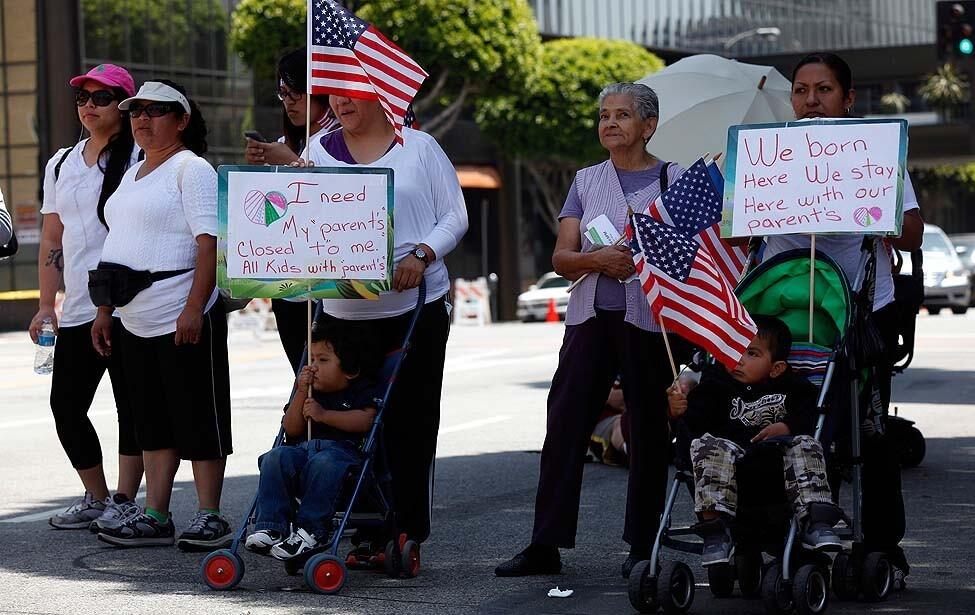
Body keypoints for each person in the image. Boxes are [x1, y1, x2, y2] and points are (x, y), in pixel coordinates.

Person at [495, 83, 694, 579]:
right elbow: (562, 258)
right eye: (604, 115)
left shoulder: (674, 179)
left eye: (622, 115)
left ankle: (641, 545)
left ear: (648, 126)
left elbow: (694, 257)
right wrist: (598, 260)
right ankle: (545, 544)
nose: (609, 123)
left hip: (649, 324)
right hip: (588, 321)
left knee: (648, 430)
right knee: (563, 425)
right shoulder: (585, 180)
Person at [762, 51, 923, 577]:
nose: (811, 101)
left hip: (859, 318)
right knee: (782, 427)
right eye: (802, 91)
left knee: (868, 438)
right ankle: (780, 539)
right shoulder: (770, 153)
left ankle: (881, 545)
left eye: (823, 90)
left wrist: (869, 206)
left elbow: (912, 233)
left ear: (847, 99)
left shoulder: (876, 153)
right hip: (786, 319)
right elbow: (736, 230)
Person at [294, 94, 467, 549]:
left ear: (379, 93)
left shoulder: (420, 147)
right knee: (333, 421)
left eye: (354, 91)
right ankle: (335, 522)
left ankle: (405, 527)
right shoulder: (314, 149)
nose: (343, 101)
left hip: (412, 307)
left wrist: (421, 253)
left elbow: (455, 215)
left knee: (411, 422)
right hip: (341, 314)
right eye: (334, 92)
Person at [91, 80, 232, 550]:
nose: (142, 121)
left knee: (198, 415)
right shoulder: (132, 173)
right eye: (136, 112)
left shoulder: (191, 170)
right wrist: (105, 311)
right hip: (133, 317)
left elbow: (207, 242)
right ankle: (157, 513)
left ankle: (210, 515)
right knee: (150, 418)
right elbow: (118, 243)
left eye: (155, 111)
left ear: (182, 119)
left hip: (180, 313)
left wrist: (195, 307)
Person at [29, 64, 145, 531]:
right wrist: (44, 305)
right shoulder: (61, 162)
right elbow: (53, 237)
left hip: (132, 303)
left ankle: (126, 500)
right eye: (83, 98)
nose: (89, 106)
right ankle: (96, 496)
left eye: (101, 98)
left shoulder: (142, 155)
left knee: (132, 407)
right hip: (78, 305)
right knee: (66, 404)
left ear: (124, 105)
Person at [668, 316, 844, 566]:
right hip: (732, 464)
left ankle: (815, 519)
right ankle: (715, 528)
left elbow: (813, 415)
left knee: (806, 443)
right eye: (734, 348)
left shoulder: (793, 387)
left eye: (751, 353)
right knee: (706, 445)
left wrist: (787, 426)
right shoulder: (717, 385)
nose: (739, 359)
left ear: (776, 368)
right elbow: (695, 423)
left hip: (779, 463)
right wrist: (678, 412)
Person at [245, 320, 381, 560]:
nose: (313, 366)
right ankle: (271, 526)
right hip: (303, 453)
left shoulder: (360, 390)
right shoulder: (308, 392)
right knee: (276, 456)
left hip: (341, 457)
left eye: (323, 360)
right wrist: (300, 391)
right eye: (312, 359)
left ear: (349, 368)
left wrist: (324, 415)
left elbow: (365, 421)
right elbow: (291, 427)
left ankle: (311, 530)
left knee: (325, 461)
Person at [244, 47, 339, 372]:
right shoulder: (286, 141)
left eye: (298, 92)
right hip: (288, 287)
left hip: (334, 285)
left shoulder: (342, 138)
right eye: (283, 93)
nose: (290, 102)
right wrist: (258, 171)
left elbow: (348, 200)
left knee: (331, 381)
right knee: (303, 380)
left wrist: (294, 163)